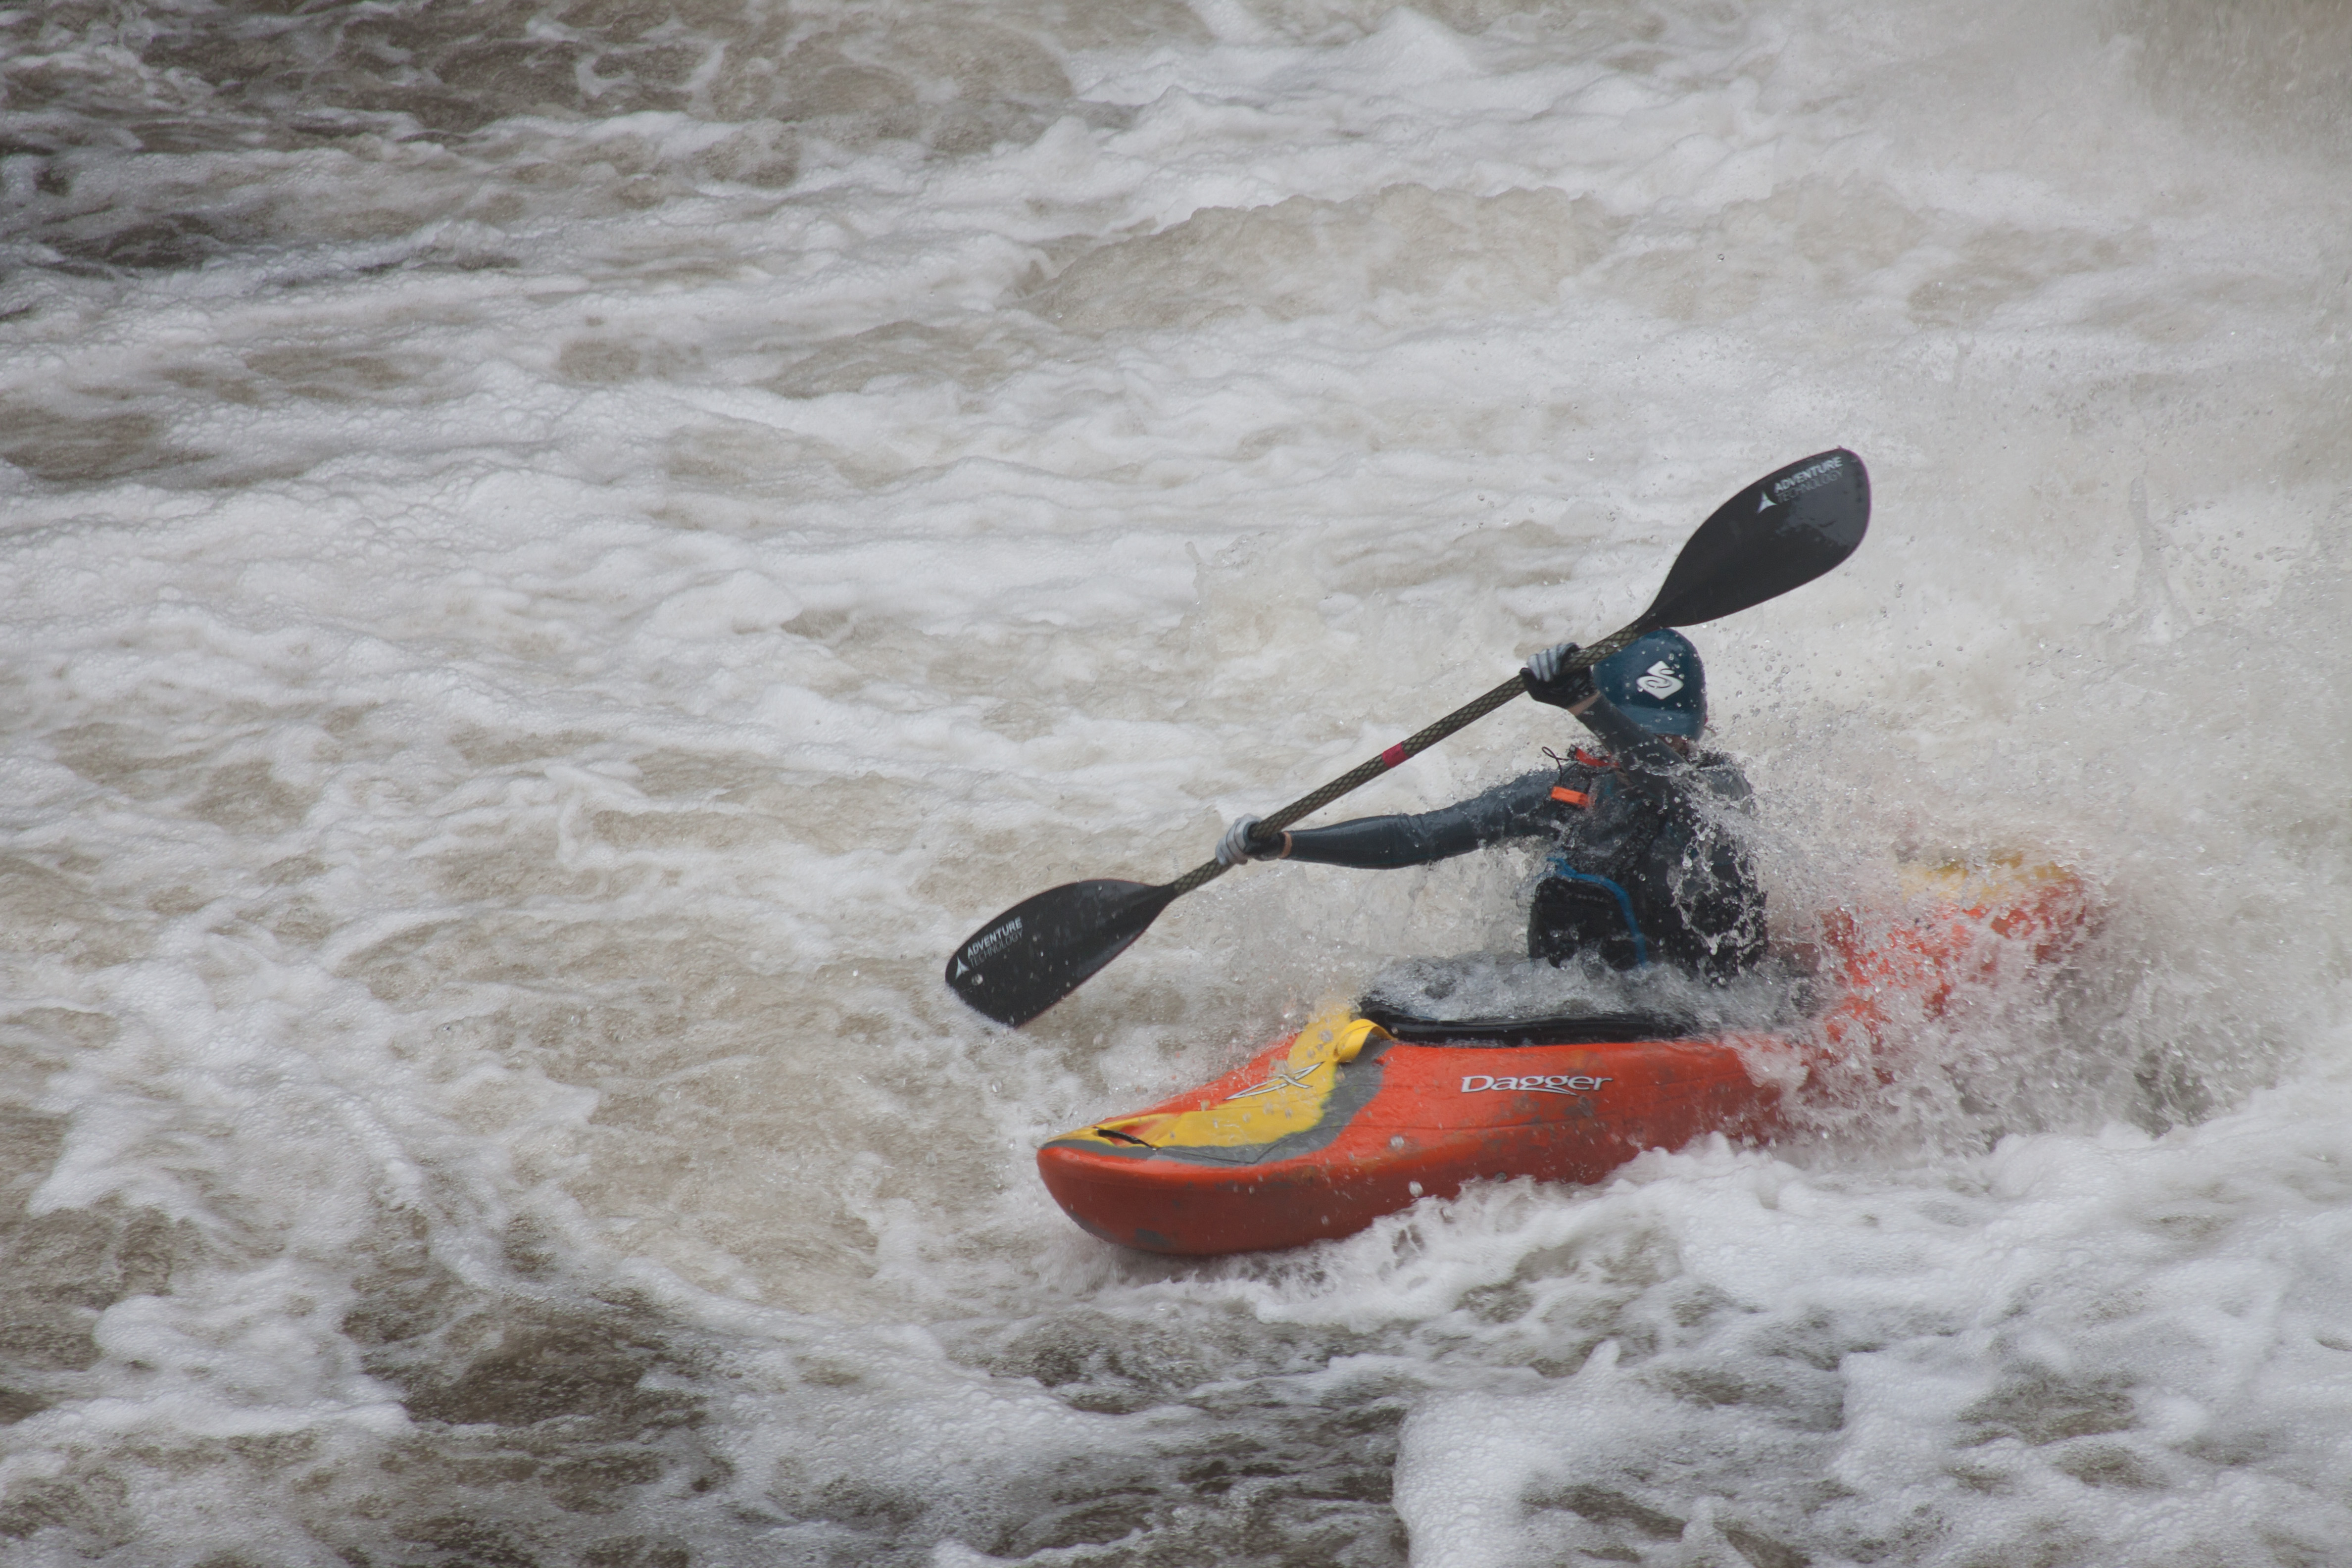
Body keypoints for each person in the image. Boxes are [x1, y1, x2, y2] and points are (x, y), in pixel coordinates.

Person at [1214, 630, 1766, 982]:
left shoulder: (1721, 791)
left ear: (1700, 729)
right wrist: (1286, 844)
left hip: (1705, 1008)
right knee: (1408, 987)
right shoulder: (1566, 792)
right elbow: (1417, 838)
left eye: (1671, 736)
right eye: (1641, 730)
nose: (1657, 745)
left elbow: (1670, 786)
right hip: (1585, 1007)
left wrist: (1586, 703)